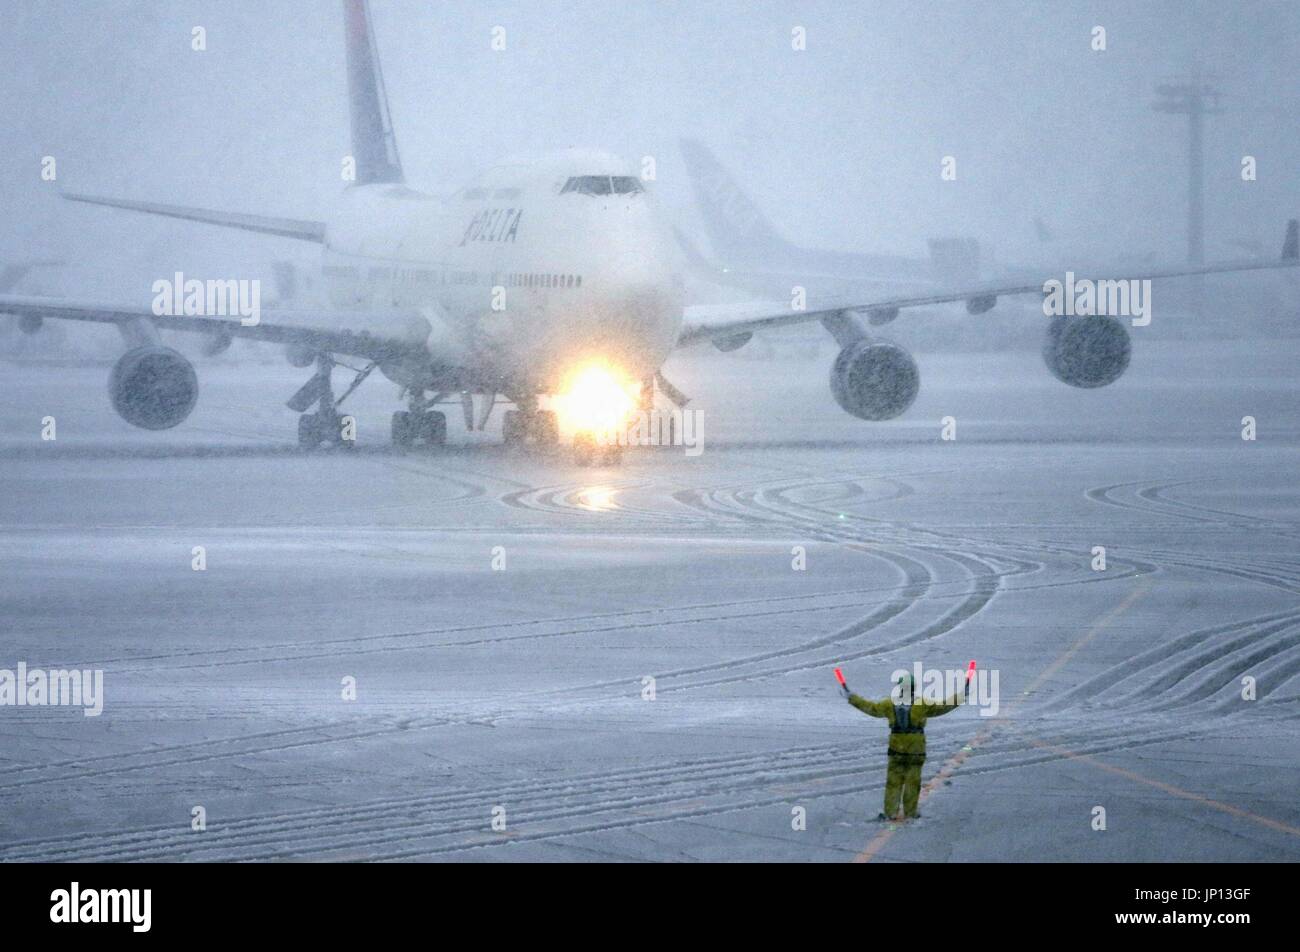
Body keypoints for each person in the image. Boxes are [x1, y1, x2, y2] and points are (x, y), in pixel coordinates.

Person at [844, 672, 967, 820]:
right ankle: (910, 813)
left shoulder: (889, 704)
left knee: (893, 781)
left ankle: (890, 813)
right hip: (916, 749)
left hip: (896, 748)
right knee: (913, 781)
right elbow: (943, 707)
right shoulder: (922, 704)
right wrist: (961, 696)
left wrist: (852, 698)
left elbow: (871, 709)